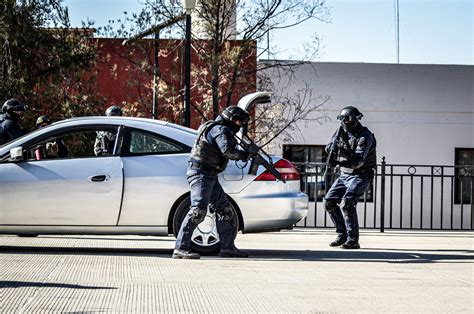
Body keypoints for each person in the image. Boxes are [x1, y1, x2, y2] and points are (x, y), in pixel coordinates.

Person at [173, 106, 250, 259]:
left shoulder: (217, 128)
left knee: (224, 210)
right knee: (198, 211)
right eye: (238, 121)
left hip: (209, 174)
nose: (239, 124)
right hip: (201, 173)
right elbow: (227, 151)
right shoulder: (219, 129)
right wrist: (244, 155)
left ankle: (228, 248)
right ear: (230, 119)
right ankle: (180, 248)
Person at [324, 106, 376, 249]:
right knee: (329, 202)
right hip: (344, 174)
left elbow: (358, 161)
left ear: (355, 119)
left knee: (348, 203)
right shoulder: (340, 131)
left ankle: (353, 239)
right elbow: (328, 148)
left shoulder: (365, 136)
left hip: (361, 174)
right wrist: (332, 149)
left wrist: (341, 159)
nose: (344, 122)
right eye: (342, 119)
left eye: (347, 119)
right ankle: (342, 235)